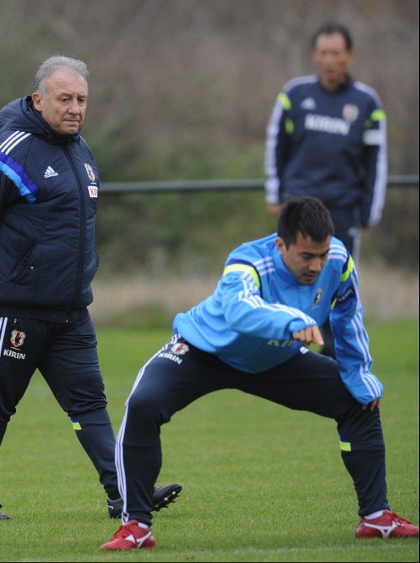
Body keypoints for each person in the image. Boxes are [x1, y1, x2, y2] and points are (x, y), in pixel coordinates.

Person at [101, 196, 418, 550]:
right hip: (204, 350)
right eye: (306, 256)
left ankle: (376, 517)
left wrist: (360, 373)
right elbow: (240, 312)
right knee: (143, 403)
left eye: (322, 255)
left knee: (359, 401)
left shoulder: (339, 260)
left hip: (274, 359)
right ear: (281, 244)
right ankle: (136, 526)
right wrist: (292, 320)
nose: (316, 266)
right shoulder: (246, 261)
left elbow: (348, 316)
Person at [0, 55, 182, 521]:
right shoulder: (7, 152)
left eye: (81, 100)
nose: (75, 108)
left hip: (72, 310)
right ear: (38, 101)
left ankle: (123, 491)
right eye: (65, 99)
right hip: (17, 311)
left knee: (91, 403)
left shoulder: (81, 150)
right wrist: (8, 282)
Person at [264, 20, 387, 357]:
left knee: (339, 281)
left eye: (336, 53)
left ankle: (336, 355)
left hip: (343, 208)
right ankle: (283, 348)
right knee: (289, 275)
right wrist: (274, 192)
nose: (329, 60)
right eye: (323, 53)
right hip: (298, 206)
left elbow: (377, 159)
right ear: (314, 56)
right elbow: (276, 144)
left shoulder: (366, 103)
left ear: (350, 56)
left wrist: (370, 210)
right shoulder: (294, 94)